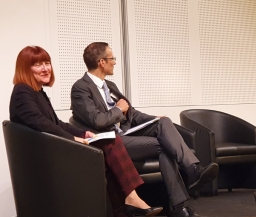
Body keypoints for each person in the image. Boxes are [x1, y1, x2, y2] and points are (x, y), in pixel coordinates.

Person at [9, 45, 163, 217]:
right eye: (38, 65)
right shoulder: (22, 91)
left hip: (51, 149)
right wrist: (73, 138)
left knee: (108, 145)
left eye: (47, 63)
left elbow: (56, 122)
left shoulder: (38, 92)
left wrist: (84, 134)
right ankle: (131, 201)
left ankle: (127, 205)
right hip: (45, 157)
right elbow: (41, 123)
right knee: (110, 143)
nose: (45, 69)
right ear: (25, 68)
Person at [70, 42, 219, 217]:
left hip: (127, 135)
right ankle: (180, 206)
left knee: (164, 123)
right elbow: (97, 120)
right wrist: (118, 110)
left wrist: (154, 119)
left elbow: (132, 115)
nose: (115, 62)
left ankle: (194, 172)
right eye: (112, 58)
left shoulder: (110, 86)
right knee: (164, 145)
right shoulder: (80, 88)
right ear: (102, 62)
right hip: (111, 142)